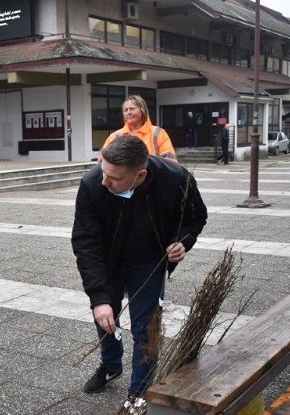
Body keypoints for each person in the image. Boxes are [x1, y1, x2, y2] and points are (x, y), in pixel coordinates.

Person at [72, 135, 208, 400]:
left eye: (114, 178)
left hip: (148, 261)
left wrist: (182, 241)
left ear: (140, 174)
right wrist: (98, 298)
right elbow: (85, 242)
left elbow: (196, 217)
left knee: (146, 328)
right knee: (105, 317)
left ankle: (138, 394)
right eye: (103, 171)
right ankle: (111, 366)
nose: (105, 181)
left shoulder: (176, 179)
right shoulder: (92, 184)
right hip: (107, 261)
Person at [102, 95, 178, 162]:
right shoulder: (115, 136)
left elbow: (171, 164)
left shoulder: (158, 133)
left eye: (132, 109)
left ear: (142, 110)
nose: (128, 112)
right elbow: (102, 163)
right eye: (126, 110)